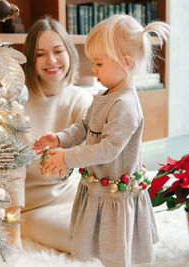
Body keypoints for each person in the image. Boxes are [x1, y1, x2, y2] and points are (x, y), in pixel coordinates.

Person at [33, 14, 170, 267]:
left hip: (115, 195)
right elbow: (84, 127)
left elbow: (107, 150)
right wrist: (60, 139)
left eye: (98, 64)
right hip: (98, 188)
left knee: (115, 249)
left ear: (126, 63)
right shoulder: (104, 95)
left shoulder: (125, 105)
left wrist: (69, 157)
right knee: (95, 244)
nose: (93, 70)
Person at [6, 17, 93, 252]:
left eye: (58, 50)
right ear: (30, 60)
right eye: (40, 54)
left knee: (116, 229)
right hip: (34, 207)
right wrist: (12, 230)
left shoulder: (81, 99)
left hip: (76, 195)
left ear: (69, 53)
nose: (51, 60)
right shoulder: (16, 104)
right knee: (87, 242)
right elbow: (11, 171)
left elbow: (97, 153)